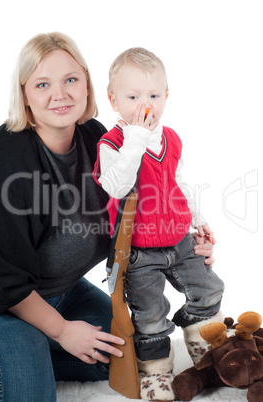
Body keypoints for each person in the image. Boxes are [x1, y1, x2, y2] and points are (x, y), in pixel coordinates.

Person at [0, 33, 214, 402]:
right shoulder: (7, 160)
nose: (60, 94)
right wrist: (62, 332)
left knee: (116, 360)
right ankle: (21, 354)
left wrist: (187, 241)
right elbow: (3, 276)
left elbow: (151, 199)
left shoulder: (99, 138)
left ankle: (32, 353)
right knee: (30, 394)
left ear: (86, 83)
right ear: (25, 93)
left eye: (70, 80)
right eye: (42, 84)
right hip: (7, 302)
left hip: (62, 290)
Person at [93, 47, 225, 401]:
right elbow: (117, 185)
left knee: (209, 289)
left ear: (166, 96)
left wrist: (197, 220)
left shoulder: (171, 138)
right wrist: (135, 137)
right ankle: (156, 373)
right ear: (113, 100)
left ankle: (205, 350)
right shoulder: (113, 143)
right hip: (140, 252)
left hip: (180, 240)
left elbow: (179, 182)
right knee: (150, 316)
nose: (144, 105)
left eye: (153, 95)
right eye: (133, 97)